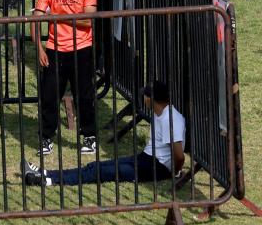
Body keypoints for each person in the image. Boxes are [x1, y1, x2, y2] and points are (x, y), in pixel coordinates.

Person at [23, 80, 185, 187]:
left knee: (98, 172)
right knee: (96, 166)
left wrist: (174, 173)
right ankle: (45, 172)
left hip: (155, 167)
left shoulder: (170, 119)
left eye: (146, 95)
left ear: (152, 99)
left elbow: (179, 155)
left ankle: (48, 180)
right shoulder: (160, 113)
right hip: (145, 159)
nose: (144, 98)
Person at [30, 0, 97, 156]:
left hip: (82, 49)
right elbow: (36, 19)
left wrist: (58, 17)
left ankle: (89, 136)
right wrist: (39, 48)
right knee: (49, 96)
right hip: (55, 49)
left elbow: (88, 21)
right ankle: (46, 137)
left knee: (84, 95)